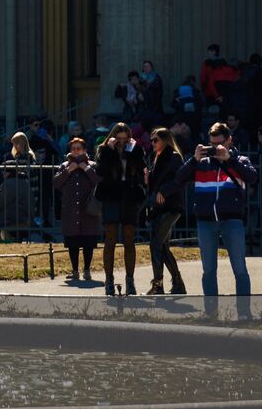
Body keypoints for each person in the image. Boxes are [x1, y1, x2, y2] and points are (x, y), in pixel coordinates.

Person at [175, 121, 257, 299]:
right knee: (209, 270)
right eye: (211, 144)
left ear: (229, 140)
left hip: (232, 220)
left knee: (239, 267)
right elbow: (179, 178)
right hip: (205, 221)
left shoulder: (240, 160)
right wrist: (194, 159)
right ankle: (211, 312)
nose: (215, 147)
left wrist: (229, 159)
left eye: (219, 143)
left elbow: (252, 177)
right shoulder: (202, 162)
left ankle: (244, 312)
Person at [95, 122, 146, 296]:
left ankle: (130, 280)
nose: (122, 142)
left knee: (129, 239)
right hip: (111, 196)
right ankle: (109, 280)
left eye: (125, 139)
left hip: (129, 196)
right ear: (113, 137)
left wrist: (132, 151)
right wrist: (110, 151)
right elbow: (100, 172)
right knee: (110, 239)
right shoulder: (104, 150)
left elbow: (140, 170)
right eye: (119, 139)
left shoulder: (135, 149)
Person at [144, 127, 186, 295]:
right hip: (160, 207)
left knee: (155, 244)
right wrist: (148, 178)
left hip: (171, 206)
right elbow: (155, 184)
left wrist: (164, 191)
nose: (152, 143)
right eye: (151, 140)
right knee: (162, 246)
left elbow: (179, 180)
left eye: (156, 140)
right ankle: (177, 284)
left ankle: (158, 285)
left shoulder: (174, 157)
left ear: (166, 140)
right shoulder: (158, 157)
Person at [53, 138, 102, 282]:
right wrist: (69, 170)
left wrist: (85, 168)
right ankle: (74, 270)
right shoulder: (64, 165)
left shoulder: (92, 165)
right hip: (70, 209)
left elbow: (99, 181)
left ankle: (87, 269)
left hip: (88, 209)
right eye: (73, 148)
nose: (75, 151)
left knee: (88, 242)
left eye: (78, 148)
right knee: (72, 242)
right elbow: (56, 183)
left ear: (85, 150)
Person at [0, 133, 35, 242]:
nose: (14, 146)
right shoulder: (15, 158)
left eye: (16, 143)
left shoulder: (27, 157)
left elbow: (0, 202)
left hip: (19, 208)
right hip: (20, 197)